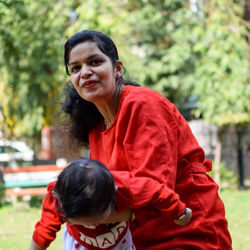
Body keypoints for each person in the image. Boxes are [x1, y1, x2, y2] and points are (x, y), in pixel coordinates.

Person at [30, 30, 232, 249]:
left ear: (117, 68)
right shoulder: (96, 127)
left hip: (187, 228)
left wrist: (72, 213)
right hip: (137, 237)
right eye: (75, 68)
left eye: (94, 62)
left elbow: (154, 194)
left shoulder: (142, 105)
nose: (85, 72)